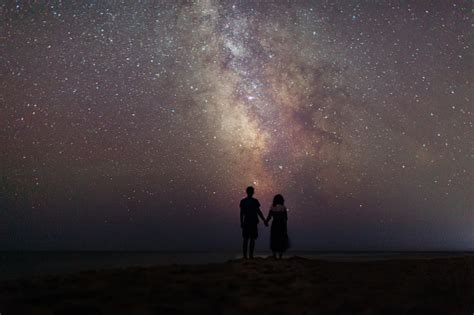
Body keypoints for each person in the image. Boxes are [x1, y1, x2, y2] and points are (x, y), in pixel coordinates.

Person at [240, 186, 266, 259]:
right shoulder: (255, 201)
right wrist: (264, 220)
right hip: (253, 221)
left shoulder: (243, 201)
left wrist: (241, 222)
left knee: (246, 238)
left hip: (247, 221)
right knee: (252, 239)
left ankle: (245, 256)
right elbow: (259, 212)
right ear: (253, 192)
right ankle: (250, 255)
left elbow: (241, 213)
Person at [265, 194, 289, 259]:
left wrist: (266, 222)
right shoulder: (283, 208)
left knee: (274, 239)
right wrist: (285, 227)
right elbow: (286, 218)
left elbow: (269, 216)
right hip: (281, 225)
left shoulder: (272, 207)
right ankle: (280, 256)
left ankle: (274, 255)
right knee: (281, 239)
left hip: (274, 225)